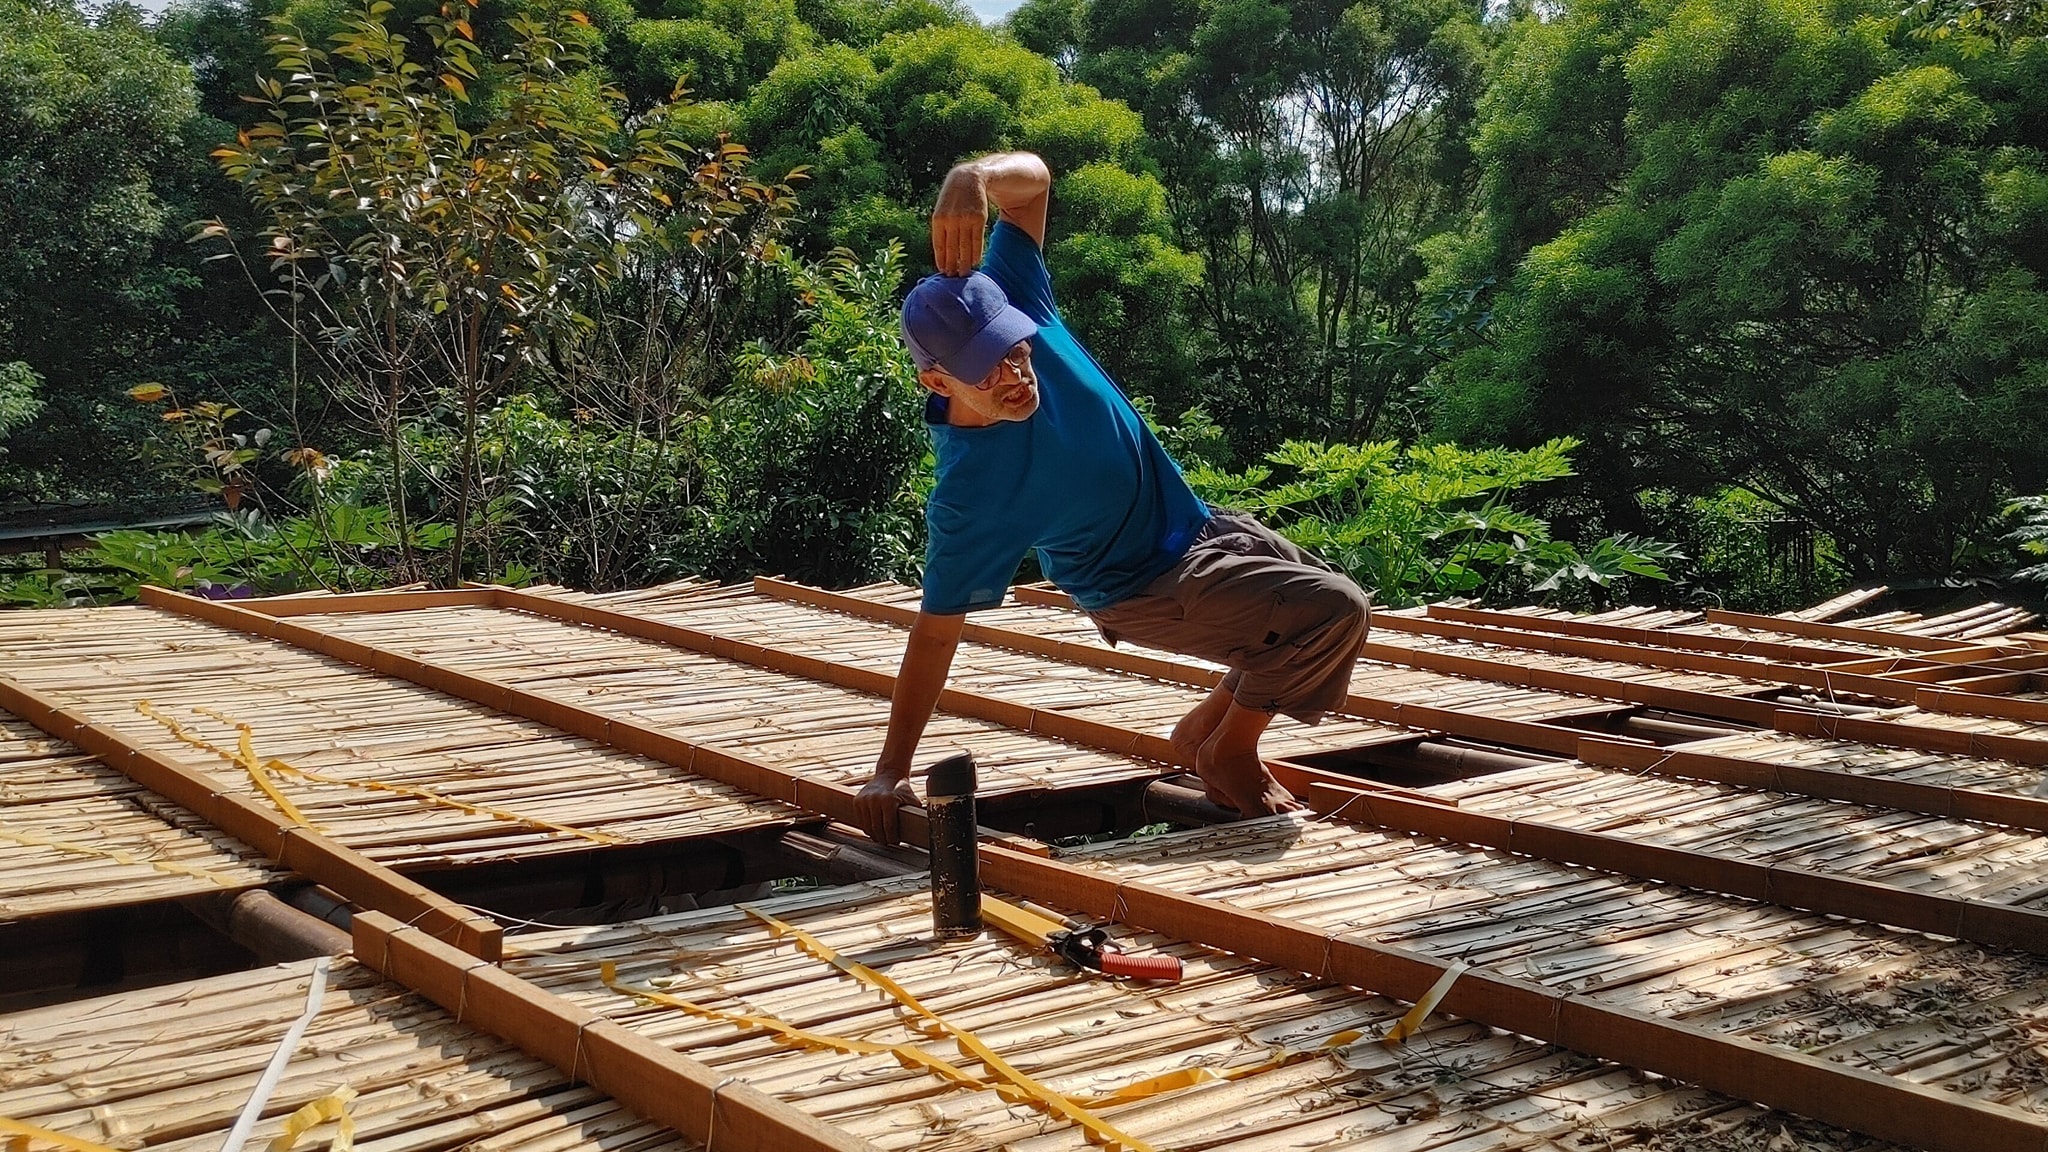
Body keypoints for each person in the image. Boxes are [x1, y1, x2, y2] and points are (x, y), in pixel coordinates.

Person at [855, 150, 1371, 846]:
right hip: (1146, 584)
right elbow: (936, 634)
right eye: (988, 368)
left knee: (1306, 587)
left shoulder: (1011, 287)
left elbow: (1033, 182)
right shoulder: (974, 492)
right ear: (940, 384)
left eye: (1016, 349)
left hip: (1200, 529)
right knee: (1334, 610)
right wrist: (892, 770)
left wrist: (970, 176)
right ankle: (1228, 751)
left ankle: (1203, 731)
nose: (1016, 373)